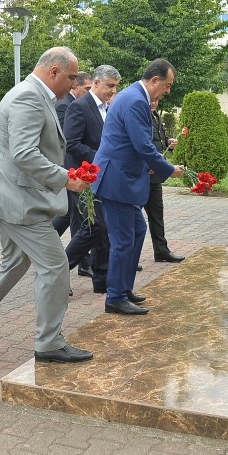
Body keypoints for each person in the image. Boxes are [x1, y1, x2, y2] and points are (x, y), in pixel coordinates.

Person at [0, 47, 94, 366]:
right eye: (72, 77)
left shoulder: (33, 95)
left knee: (13, 263)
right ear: (54, 72)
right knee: (56, 266)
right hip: (19, 201)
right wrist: (66, 179)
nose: (74, 85)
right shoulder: (28, 97)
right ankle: (48, 343)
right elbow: (24, 154)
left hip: (15, 197)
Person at [93, 59, 184, 316]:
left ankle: (124, 287)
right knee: (123, 240)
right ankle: (115, 297)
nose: (167, 91)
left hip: (120, 177)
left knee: (137, 230)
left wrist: (150, 165)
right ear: (154, 80)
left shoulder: (132, 96)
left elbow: (133, 145)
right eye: (166, 85)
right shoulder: (135, 101)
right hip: (115, 180)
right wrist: (169, 169)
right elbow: (143, 145)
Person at [63, 65, 121, 293]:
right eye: (110, 86)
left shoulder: (107, 108)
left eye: (115, 86)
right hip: (82, 177)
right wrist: (101, 158)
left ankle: (102, 279)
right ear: (95, 83)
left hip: (101, 177)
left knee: (102, 228)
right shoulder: (79, 107)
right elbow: (72, 143)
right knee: (94, 226)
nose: (113, 91)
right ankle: (57, 270)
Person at [145, 97, 185, 263]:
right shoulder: (141, 116)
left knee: (157, 214)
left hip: (155, 176)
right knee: (134, 219)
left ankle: (161, 251)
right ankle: (130, 255)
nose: (154, 103)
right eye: (151, 101)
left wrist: (168, 141)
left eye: (157, 101)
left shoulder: (155, 115)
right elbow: (144, 144)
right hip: (144, 173)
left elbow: (159, 138)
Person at [52, 71, 91, 237]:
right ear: (76, 86)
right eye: (87, 88)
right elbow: (65, 140)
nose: (90, 92)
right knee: (78, 215)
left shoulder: (77, 103)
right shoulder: (65, 104)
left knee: (73, 214)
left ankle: (81, 259)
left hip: (76, 166)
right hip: (69, 165)